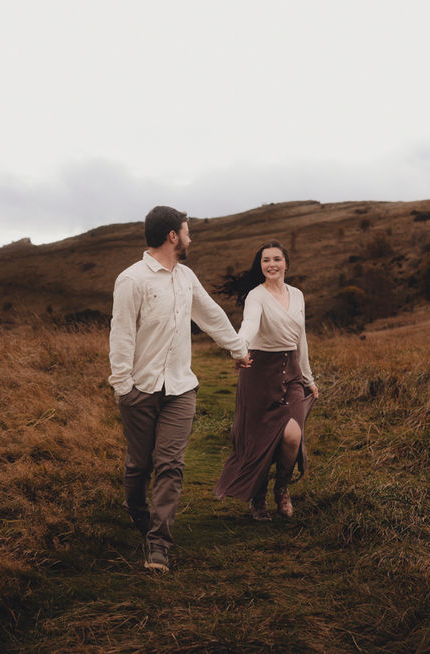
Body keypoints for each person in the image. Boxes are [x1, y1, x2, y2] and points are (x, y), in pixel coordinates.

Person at [109, 206, 251, 573]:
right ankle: (137, 511)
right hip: (140, 388)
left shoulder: (186, 277)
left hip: (180, 388)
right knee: (139, 465)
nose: (190, 238)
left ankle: (158, 544)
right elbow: (121, 335)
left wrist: (237, 348)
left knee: (170, 464)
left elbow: (210, 314)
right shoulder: (132, 280)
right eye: (187, 232)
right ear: (172, 236)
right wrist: (123, 386)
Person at [214, 241, 318, 520]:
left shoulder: (297, 295)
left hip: (291, 372)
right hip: (258, 372)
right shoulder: (255, 296)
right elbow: (249, 325)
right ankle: (257, 496)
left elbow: (301, 338)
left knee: (293, 435)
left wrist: (308, 378)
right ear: (260, 266)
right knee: (259, 439)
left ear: (286, 263)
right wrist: (240, 349)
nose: (271, 264)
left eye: (276, 259)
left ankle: (281, 489)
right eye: (265, 260)